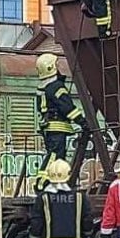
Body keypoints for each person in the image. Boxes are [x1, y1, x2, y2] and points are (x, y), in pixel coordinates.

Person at [34, 53, 86, 192]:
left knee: (57, 157)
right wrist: (82, 122)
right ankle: (42, 183)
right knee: (54, 155)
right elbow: (67, 107)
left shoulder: (43, 88)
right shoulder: (56, 87)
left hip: (49, 127)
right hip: (57, 127)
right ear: (51, 68)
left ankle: (55, 184)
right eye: (56, 65)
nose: (58, 67)